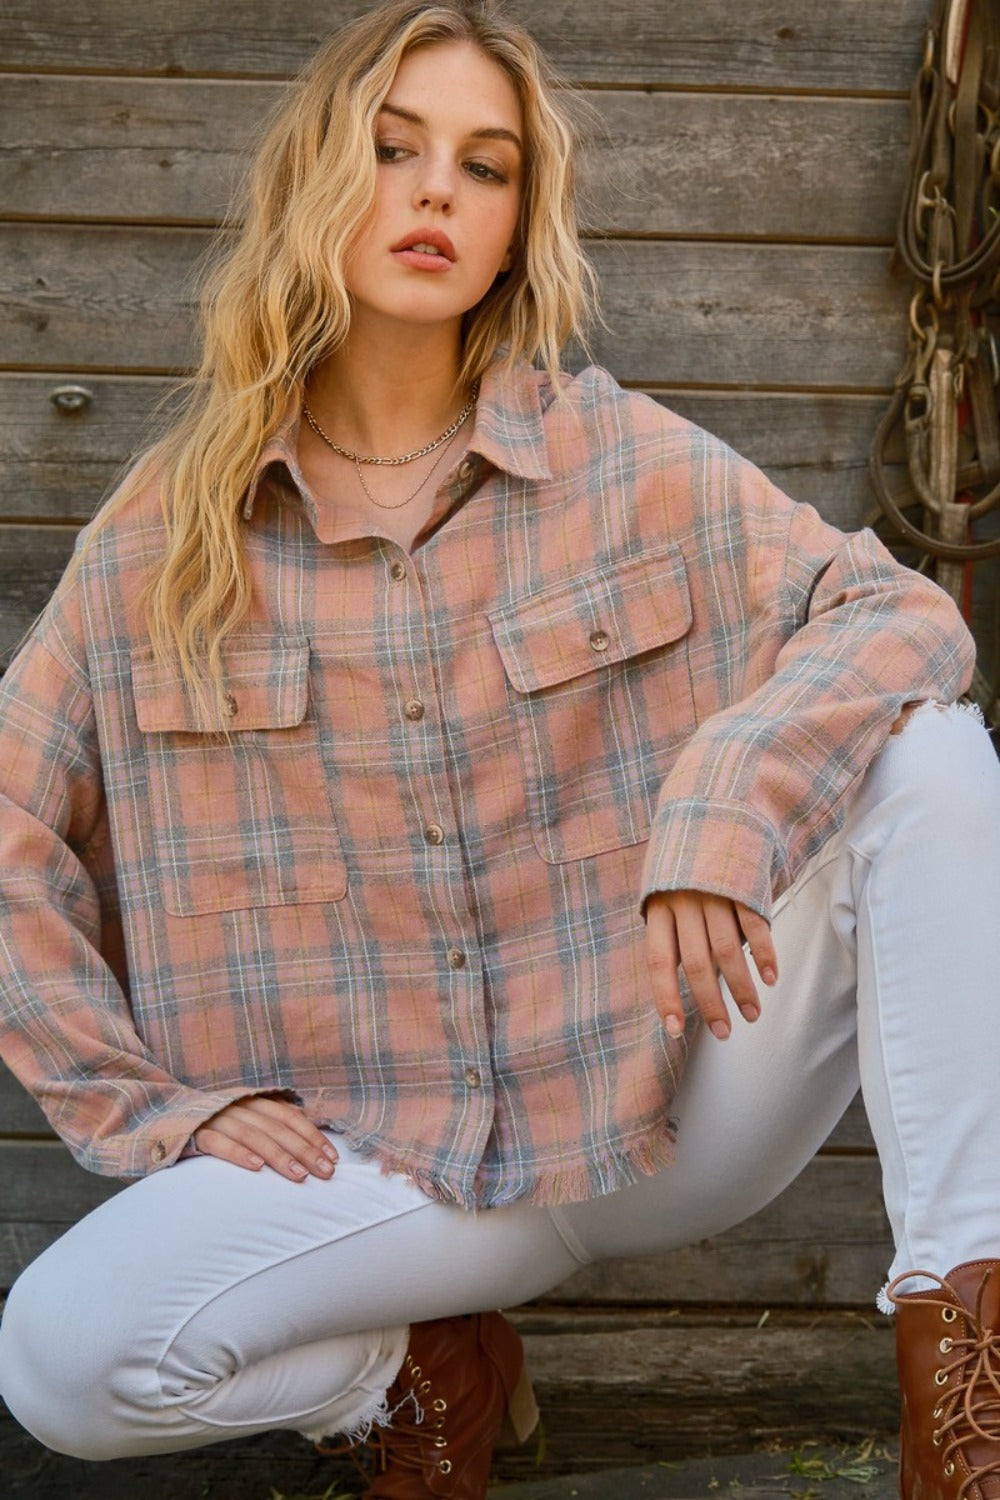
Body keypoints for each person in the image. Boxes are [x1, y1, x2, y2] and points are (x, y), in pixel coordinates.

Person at [0, 3, 998, 1497]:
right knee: (61, 1359)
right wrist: (144, 1104)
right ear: (316, 176)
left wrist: (724, 805)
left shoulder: (621, 461)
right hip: (379, 1168)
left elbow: (899, 614)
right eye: (393, 148)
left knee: (931, 759)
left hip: (663, 1098)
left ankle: (968, 1402)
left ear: (520, 220)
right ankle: (413, 1375)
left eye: (485, 165)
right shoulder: (164, 539)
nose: (436, 194)